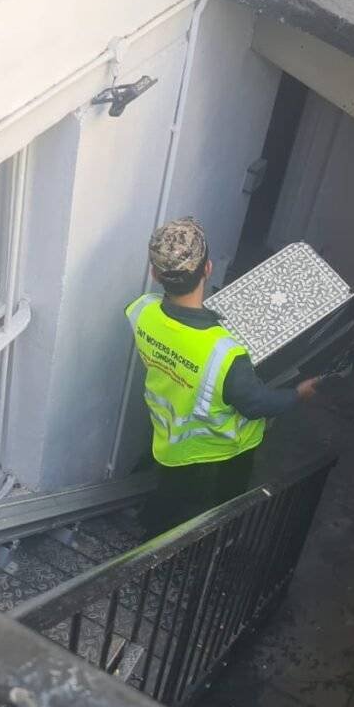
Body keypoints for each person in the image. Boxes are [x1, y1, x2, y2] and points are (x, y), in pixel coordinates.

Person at [126, 217, 321, 538]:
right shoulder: (224, 352)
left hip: (171, 433)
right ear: (208, 269)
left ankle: (152, 531)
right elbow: (256, 404)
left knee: (173, 488)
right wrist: (298, 393)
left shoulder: (141, 311)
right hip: (225, 444)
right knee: (227, 494)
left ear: (155, 274)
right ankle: (221, 533)